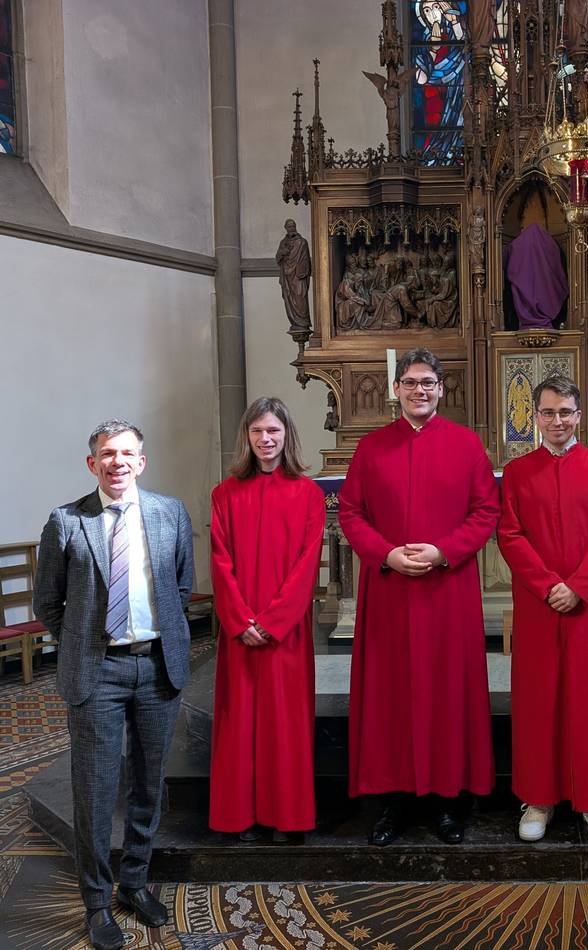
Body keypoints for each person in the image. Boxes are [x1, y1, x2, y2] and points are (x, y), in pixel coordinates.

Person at [33, 421, 194, 950]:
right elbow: (47, 602)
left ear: (141, 462)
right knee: (97, 792)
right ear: (92, 464)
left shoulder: (169, 513)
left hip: (157, 670)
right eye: (107, 454)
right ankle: (97, 901)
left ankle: (134, 884)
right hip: (97, 673)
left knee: (149, 786)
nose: (117, 461)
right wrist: (81, 643)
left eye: (127, 453)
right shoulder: (66, 521)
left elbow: (182, 585)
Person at [338, 347, 499, 846]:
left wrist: (443, 551)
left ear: (442, 389)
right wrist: (386, 555)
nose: (419, 390)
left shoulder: (467, 445)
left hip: (446, 592)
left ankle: (449, 801)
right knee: (391, 696)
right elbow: (350, 514)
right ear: (395, 389)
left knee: (447, 694)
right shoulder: (370, 448)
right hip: (390, 594)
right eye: (410, 382)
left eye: (428, 382)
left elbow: (485, 511)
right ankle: (393, 802)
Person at [497, 376, 588, 843]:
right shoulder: (517, 473)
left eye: (566, 412)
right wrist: (547, 585)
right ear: (534, 417)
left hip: (586, 605)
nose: (557, 421)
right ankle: (538, 798)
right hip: (538, 606)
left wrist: (578, 587)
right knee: (539, 700)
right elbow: (510, 535)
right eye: (548, 413)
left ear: (579, 415)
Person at [209, 397, 325, 843]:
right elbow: (220, 562)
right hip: (241, 633)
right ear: (247, 437)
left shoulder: (308, 494)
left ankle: (286, 816)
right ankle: (241, 815)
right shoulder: (225, 494)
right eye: (257, 431)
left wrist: (273, 622)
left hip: (285, 634)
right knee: (239, 721)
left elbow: (305, 566)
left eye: (273, 431)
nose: (265, 439)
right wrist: (240, 620)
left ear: (287, 436)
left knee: (284, 724)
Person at [275, 219, 312, 334]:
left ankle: (303, 322)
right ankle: (295, 322)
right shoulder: (283, 242)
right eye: (289, 227)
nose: (292, 228)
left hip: (298, 276)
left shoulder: (302, 242)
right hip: (287, 277)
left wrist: (303, 271)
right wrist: (282, 253)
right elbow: (277, 258)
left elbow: (306, 260)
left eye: (293, 226)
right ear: (286, 228)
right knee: (289, 299)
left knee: (300, 298)